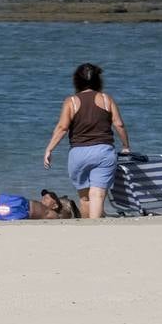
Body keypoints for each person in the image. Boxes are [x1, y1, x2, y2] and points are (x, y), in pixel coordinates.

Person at [43, 62, 131, 219]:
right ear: (98, 81)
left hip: (78, 154)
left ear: (77, 81)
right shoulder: (106, 99)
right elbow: (119, 124)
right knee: (97, 195)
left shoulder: (71, 101)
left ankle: (88, 228)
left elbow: (62, 127)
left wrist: (49, 149)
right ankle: (96, 225)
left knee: (85, 198)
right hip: (103, 152)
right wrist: (125, 145)